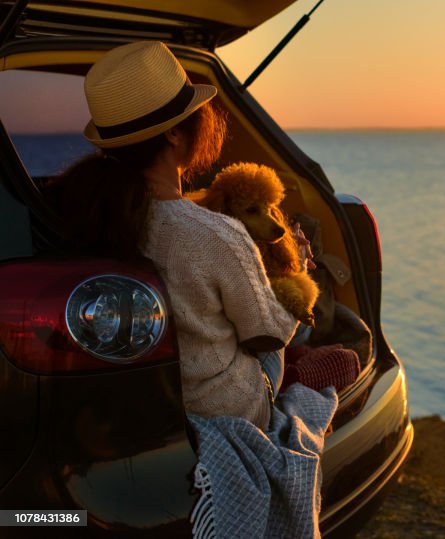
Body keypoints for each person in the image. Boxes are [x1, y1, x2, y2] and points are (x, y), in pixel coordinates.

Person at [48, 41, 302, 430]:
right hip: (216, 407)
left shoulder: (92, 213)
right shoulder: (214, 234)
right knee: (297, 332)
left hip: (144, 401)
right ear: (173, 135)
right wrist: (295, 275)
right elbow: (267, 335)